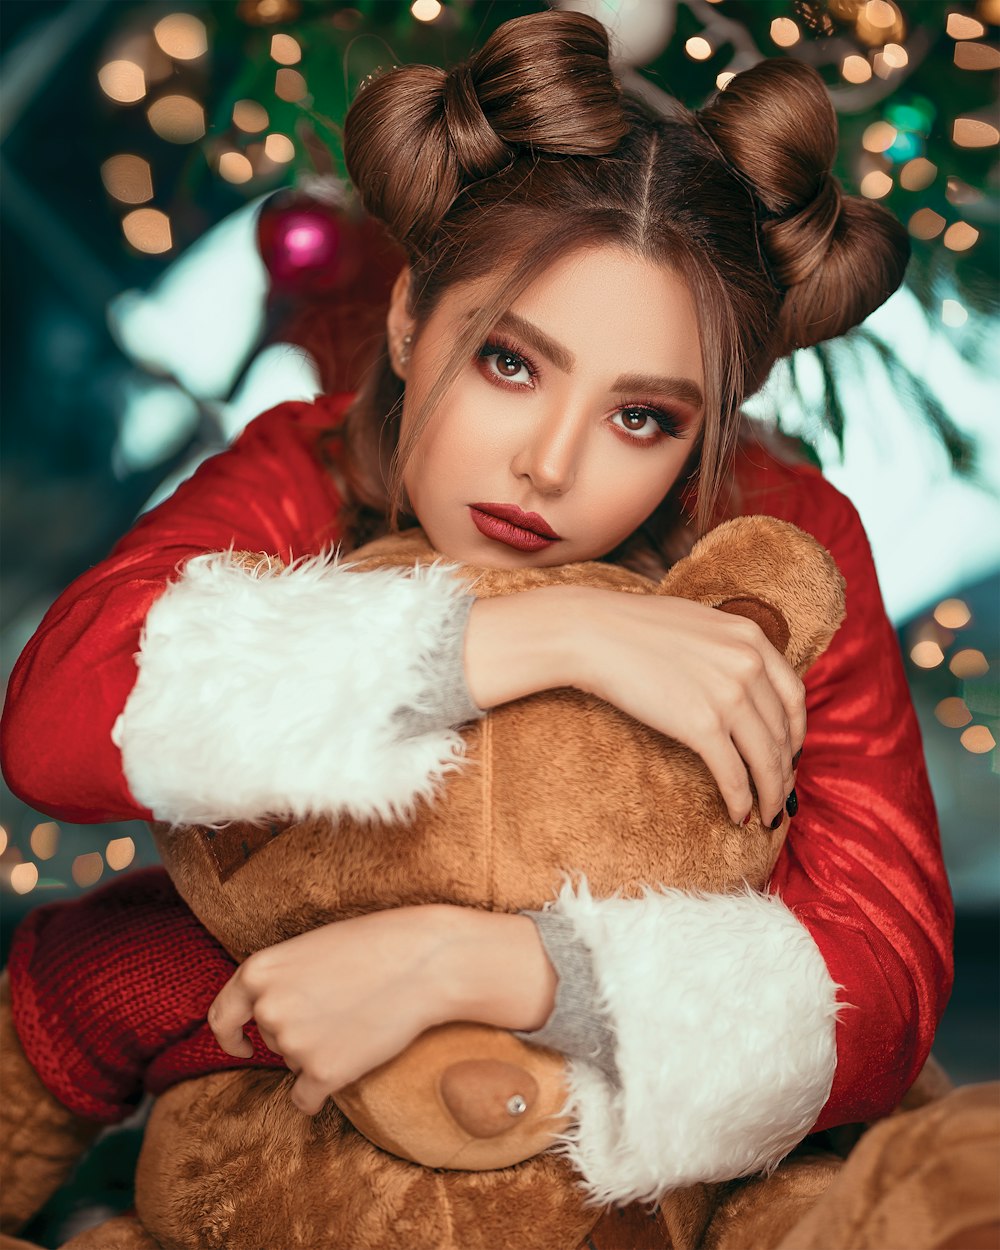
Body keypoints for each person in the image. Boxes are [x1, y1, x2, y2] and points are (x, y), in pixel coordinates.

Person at [1, 8, 953, 1212]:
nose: (548, 466)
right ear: (406, 321)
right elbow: (52, 731)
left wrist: (488, 965)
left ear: (707, 427)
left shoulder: (785, 535)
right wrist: (541, 633)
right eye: (510, 360)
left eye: (642, 416)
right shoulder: (313, 463)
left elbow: (886, 983)